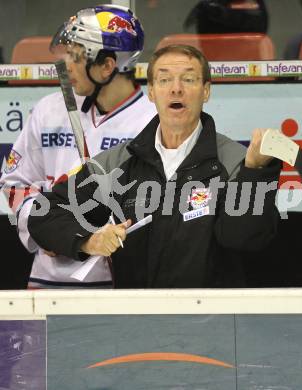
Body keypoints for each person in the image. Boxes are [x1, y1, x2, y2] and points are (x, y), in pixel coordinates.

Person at [28, 44, 281, 288]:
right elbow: (45, 213)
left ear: (206, 91)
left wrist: (256, 172)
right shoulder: (119, 162)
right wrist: (89, 241)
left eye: (189, 79)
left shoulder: (236, 161)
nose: (176, 89)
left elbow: (246, 239)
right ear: (151, 92)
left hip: (214, 324)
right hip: (137, 324)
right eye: (164, 80)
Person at [0, 5, 156, 288]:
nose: (65, 65)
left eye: (75, 55)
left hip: (117, 284)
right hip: (47, 280)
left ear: (107, 66)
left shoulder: (151, 123)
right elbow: (15, 183)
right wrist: (45, 231)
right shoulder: (49, 110)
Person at [183, 0, 268, 34]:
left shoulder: (251, 2)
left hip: (247, 59)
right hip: (215, 58)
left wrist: (221, 13)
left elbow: (258, 23)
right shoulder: (209, 3)